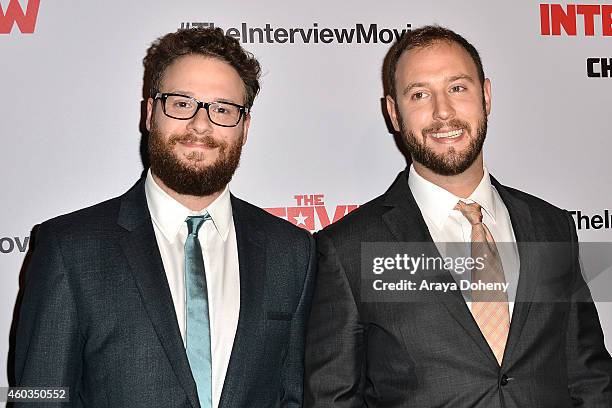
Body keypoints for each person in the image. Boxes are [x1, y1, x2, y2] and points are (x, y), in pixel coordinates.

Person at [304, 25, 612, 407]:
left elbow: (589, 378)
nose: (442, 112)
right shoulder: (348, 248)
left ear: (486, 95)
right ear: (394, 114)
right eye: (419, 94)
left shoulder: (551, 227)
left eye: (457, 88)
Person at [15, 27, 315, 408]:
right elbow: (37, 397)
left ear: (245, 129)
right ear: (149, 113)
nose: (201, 125)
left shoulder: (291, 253)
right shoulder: (68, 248)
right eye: (181, 103)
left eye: (223, 109)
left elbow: (294, 397)